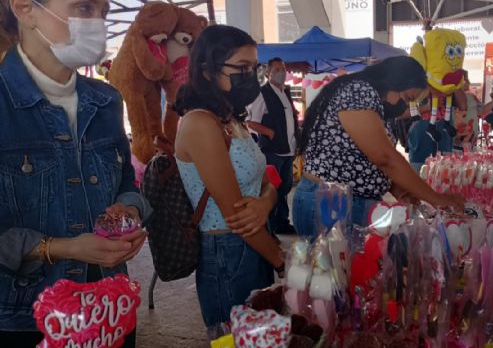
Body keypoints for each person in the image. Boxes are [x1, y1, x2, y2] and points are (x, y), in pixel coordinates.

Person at [0, 0, 151, 348]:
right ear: (24, 8)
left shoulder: (105, 100)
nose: (98, 23)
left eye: (103, 11)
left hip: (109, 310)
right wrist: (63, 248)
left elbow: (125, 182)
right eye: (83, 8)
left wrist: (128, 211)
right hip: (24, 319)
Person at [173, 25, 284, 332]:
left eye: (254, 67)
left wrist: (264, 204)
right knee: (235, 343)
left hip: (255, 241)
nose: (251, 76)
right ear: (208, 70)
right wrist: (281, 260)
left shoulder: (230, 119)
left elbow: (267, 180)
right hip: (228, 251)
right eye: (242, 68)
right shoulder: (199, 123)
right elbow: (235, 216)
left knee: (261, 340)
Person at [293, 56, 465, 238]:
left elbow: (366, 157)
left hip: (345, 203)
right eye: (407, 98)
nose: (404, 105)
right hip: (330, 204)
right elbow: (385, 158)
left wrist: (399, 190)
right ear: (395, 82)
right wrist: (437, 199)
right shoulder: (358, 91)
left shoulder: (374, 103)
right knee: (331, 265)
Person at [246, 57, 299, 235]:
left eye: (283, 69)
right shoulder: (263, 94)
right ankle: (269, 227)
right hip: (272, 150)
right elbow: (251, 122)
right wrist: (269, 132)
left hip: (288, 149)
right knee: (271, 189)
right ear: (268, 73)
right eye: (277, 69)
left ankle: (281, 222)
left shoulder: (285, 92)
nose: (281, 73)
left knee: (284, 188)